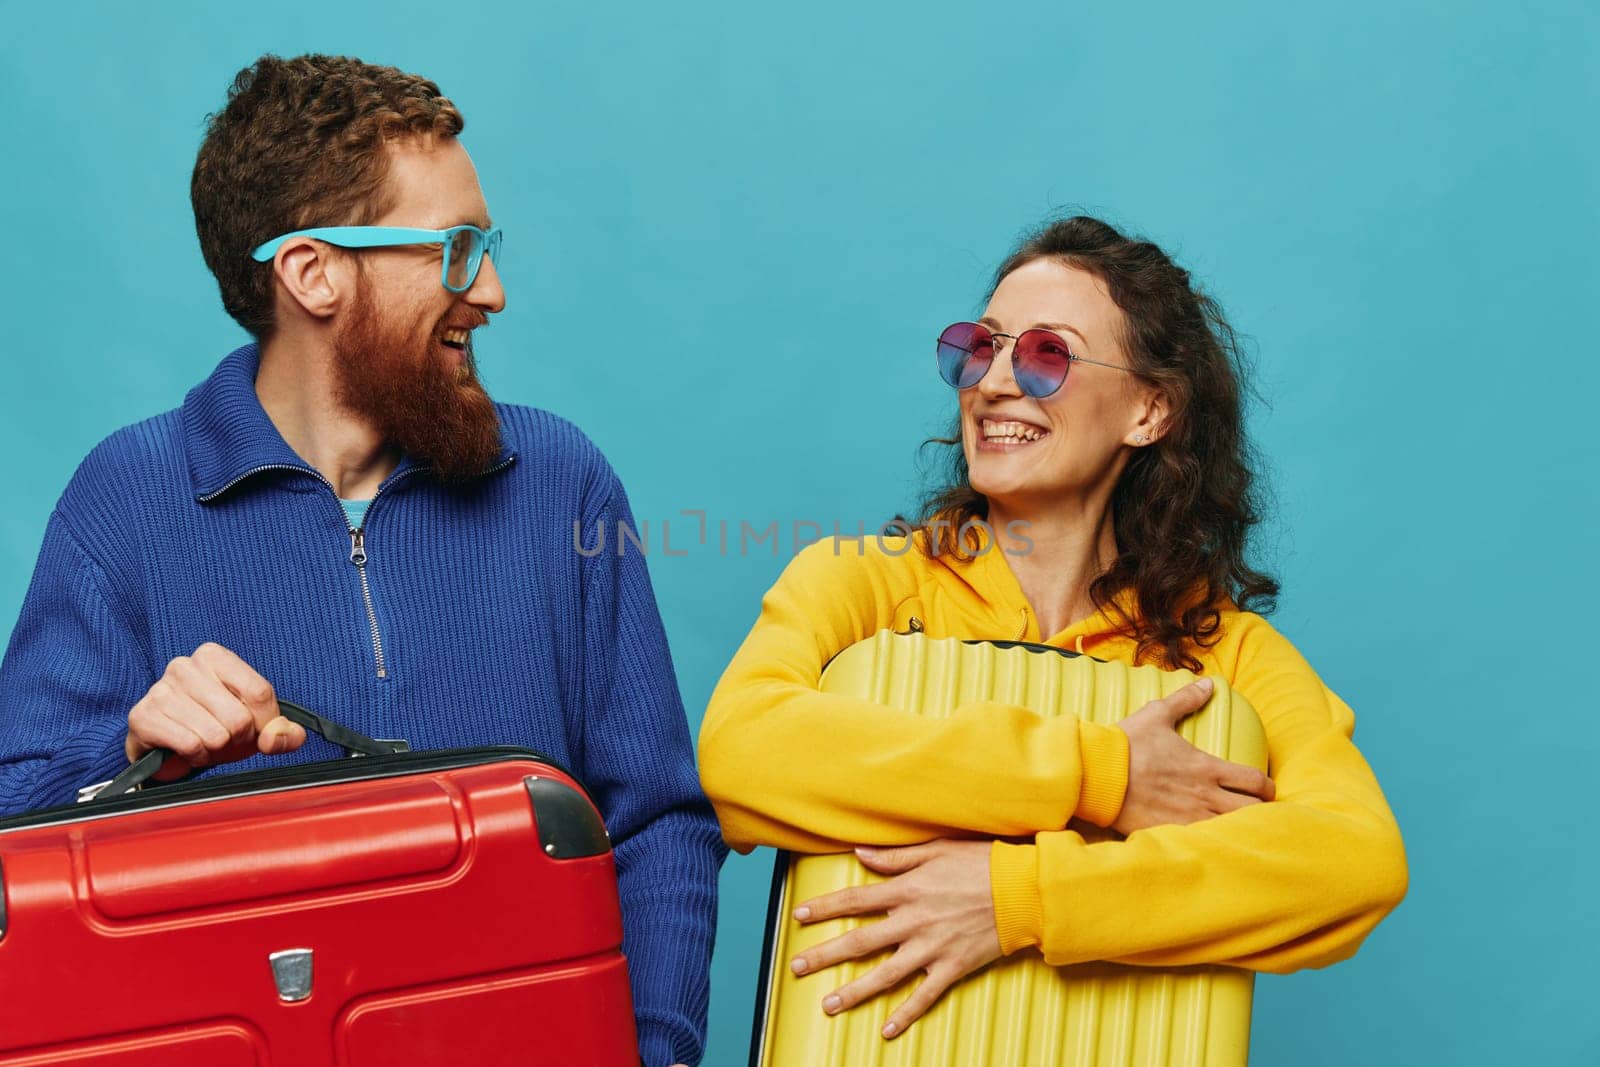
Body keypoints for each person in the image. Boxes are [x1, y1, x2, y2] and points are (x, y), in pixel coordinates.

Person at [0, 54, 722, 1067]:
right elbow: (13, 841)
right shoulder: (121, 502)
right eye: (458, 250)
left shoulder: (562, 481)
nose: (495, 290)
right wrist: (128, 761)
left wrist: (647, 1050)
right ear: (313, 273)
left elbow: (655, 823)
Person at [698, 215, 1408, 1042]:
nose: (994, 382)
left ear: (1150, 409)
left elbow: (1354, 860)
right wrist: (1099, 775)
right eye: (980, 347)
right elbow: (742, 751)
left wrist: (1020, 897)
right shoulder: (863, 583)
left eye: (1045, 355)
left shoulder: (1230, 655)